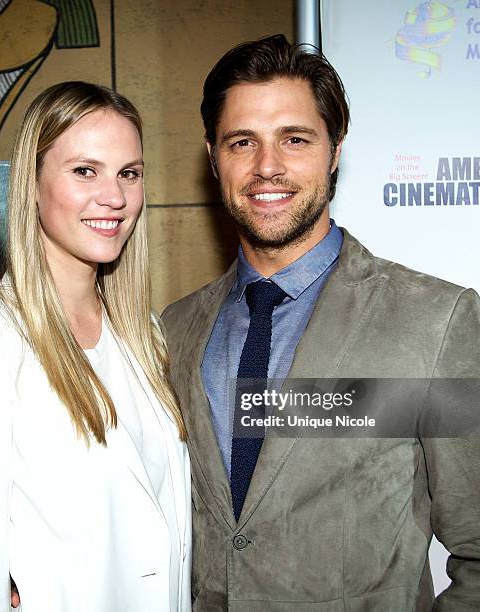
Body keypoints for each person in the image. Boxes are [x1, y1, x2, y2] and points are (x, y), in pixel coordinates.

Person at [162, 35, 480, 611]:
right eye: (242, 142)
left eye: (295, 139)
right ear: (213, 156)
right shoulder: (173, 331)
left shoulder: (435, 322)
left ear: (335, 151)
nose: (267, 167)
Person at [0, 81, 191, 612]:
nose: (114, 196)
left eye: (129, 173)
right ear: (34, 184)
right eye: (85, 170)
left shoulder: (146, 338)